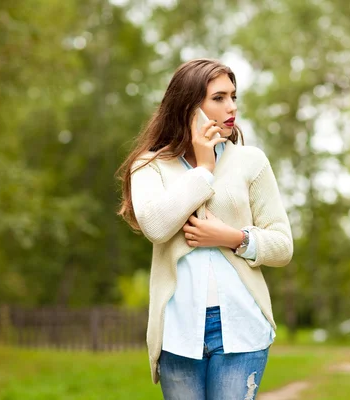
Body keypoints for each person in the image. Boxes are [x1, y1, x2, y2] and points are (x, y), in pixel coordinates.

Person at [116, 58, 293, 400]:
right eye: (219, 98)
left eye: (233, 97)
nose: (232, 107)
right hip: (178, 330)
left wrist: (232, 238)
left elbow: (282, 245)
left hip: (242, 327)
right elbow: (156, 226)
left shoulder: (251, 161)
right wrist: (204, 167)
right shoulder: (150, 165)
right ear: (188, 106)